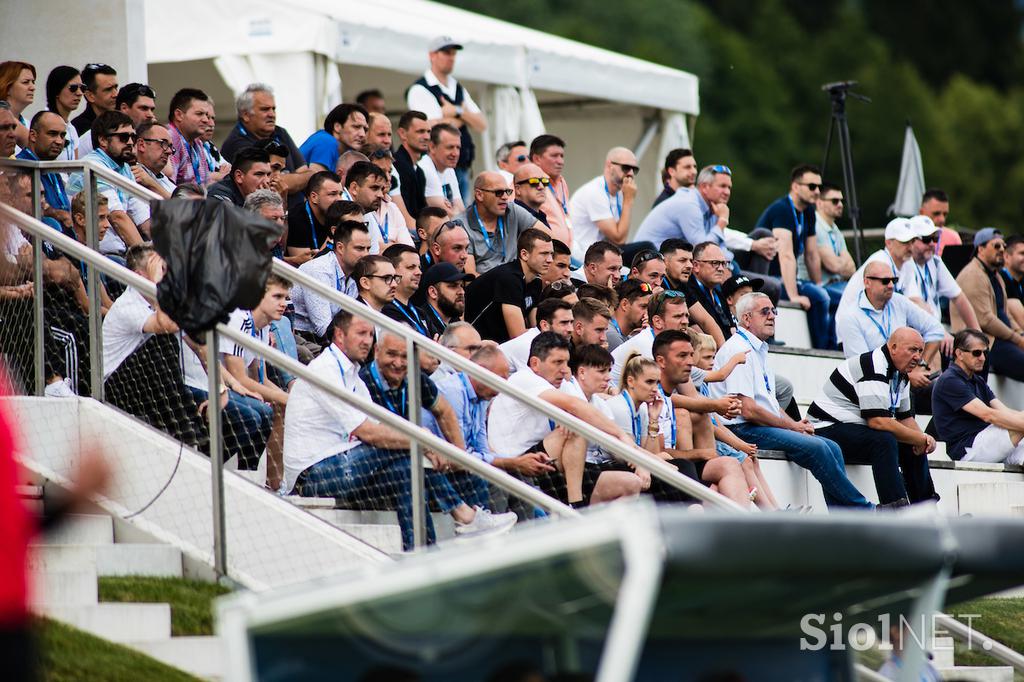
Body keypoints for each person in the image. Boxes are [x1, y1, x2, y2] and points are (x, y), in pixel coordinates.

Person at [284, 309, 517, 550]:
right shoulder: (326, 370)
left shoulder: (352, 374)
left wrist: (426, 445)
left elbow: (382, 427)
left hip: (344, 464)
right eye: (360, 333)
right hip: (313, 474)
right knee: (409, 445)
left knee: (407, 471)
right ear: (340, 336)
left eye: (369, 334)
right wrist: (424, 441)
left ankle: (423, 553)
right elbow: (368, 433)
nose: (366, 340)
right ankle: (464, 515)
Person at [711, 292, 873, 509]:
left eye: (773, 311)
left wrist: (794, 426)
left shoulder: (757, 347)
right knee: (819, 449)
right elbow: (749, 410)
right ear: (747, 319)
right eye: (765, 312)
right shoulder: (739, 349)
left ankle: (843, 515)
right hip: (741, 429)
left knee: (832, 447)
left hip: (754, 425)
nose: (772, 316)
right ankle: (863, 509)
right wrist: (793, 426)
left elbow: (770, 403)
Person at [488, 332, 637, 508]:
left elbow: (580, 410)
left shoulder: (558, 383)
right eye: (557, 362)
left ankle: (593, 524)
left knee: (631, 483)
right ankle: (576, 505)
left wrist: (643, 458)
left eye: (566, 363)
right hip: (514, 463)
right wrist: (621, 434)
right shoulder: (524, 378)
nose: (565, 370)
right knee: (577, 429)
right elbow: (575, 406)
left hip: (547, 460)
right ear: (535, 363)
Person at [808, 328, 937, 506]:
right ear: (893, 347)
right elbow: (878, 422)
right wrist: (920, 437)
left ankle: (926, 509)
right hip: (825, 428)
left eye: (920, 351)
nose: (918, 357)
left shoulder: (901, 373)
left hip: (854, 429)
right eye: (912, 350)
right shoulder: (873, 366)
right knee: (883, 440)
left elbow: (905, 418)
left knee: (912, 443)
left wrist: (923, 440)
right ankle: (895, 509)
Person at [634, 165, 781, 301]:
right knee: (772, 287)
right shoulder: (690, 205)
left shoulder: (711, 206)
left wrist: (728, 266)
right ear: (704, 187)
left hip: (692, 262)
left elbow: (720, 248)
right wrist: (722, 221)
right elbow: (702, 249)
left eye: (729, 187)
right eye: (722, 186)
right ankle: (752, 309)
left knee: (762, 234)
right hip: (656, 261)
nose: (727, 192)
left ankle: (752, 305)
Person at [689, 331, 780, 510]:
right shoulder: (695, 380)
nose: (712, 362)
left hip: (714, 439)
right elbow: (721, 375)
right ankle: (770, 512)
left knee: (753, 460)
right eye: (707, 357)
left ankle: (776, 509)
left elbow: (714, 420)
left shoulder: (703, 386)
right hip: (708, 444)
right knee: (745, 459)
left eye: (713, 357)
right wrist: (736, 359)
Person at [220, 275, 293, 491]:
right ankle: (249, 475)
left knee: (283, 406)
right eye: (277, 297)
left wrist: (289, 398)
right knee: (264, 410)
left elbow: (259, 378)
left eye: (286, 298)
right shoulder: (238, 318)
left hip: (236, 384)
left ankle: (275, 484)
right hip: (216, 383)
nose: (284, 304)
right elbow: (240, 379)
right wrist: (285, 396)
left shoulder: (263, 327)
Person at [755, 165, 832, 349]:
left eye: (819, 187)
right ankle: (821, 351)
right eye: (812, 186)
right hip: (769, 276)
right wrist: (793, 295)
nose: (817, 191)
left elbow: (812, 255)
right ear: (796, 186)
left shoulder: (808, 213)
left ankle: (833, 348)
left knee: (829, 295)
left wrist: (818, 283)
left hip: (789, 278)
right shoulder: (782, 209)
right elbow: (786, 255)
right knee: (821, 298)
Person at [406, 36, 488, 201]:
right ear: (432, 55)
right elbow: (431, 127)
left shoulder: (457, 87)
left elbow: (482, 124)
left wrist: (455, 111)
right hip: (436, 167)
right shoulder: (419, 89)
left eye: (453, 53)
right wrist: (464, 117)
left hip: (462, 165)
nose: (451, 57)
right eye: (445, 52)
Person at [836, 261, 944, 378]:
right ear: (867, 282)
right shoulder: (850, 317)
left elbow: (936, 329)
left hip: (903, 378)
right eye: (885, 281)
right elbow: (862, 367)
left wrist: (920, 366)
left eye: (894, 280)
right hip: (871, 385)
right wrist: (907, 377)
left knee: (942, 388)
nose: (891, 285)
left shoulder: (899, 301)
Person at [933, 329, 1024, 465]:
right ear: (959, 354)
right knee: (1015, 425)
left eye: (985, 353)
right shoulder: (950, 380)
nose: (982, 358)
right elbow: (988, 415)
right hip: (967, 449)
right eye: (977, 353)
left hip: (985, 440)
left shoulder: (977, 380)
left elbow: (1005, 411)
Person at [66, 111, 149, 255]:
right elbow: (117, 217)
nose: (130, 142)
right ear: (103, 140)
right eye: (123, 137)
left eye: (133, 137)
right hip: (95, 255)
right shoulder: (92, 166)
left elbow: (144, 219)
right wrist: (147, 259)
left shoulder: (124, 168)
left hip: (117, 253)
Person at [951, 228, 1024, 381]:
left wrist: (1019, 334)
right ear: (981, 249)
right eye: (996, 246)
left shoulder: (995, 275)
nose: (1002, 249)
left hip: (999, 339)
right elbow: (986, 320)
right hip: (985, 342)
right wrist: (1017, 339)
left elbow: (1004, 312)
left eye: (1003, 245)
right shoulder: (973, 275)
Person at [900, 216, 980, 354]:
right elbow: (916, 303)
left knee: (977, 350)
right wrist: (940, 332)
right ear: (911, 241)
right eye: (926, 239)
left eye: (935, 238)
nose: (932, 243)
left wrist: (978, 334)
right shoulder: (906, 264)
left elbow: (959, 298)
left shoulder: (935, 262)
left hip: (933, 330)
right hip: (916, 333)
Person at [291, 220, 372, 349]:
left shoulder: (356, 271)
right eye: (359, 248)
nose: (366, 255)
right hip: (302, 338)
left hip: (328, 338)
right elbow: (323, 328)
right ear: (340, 248)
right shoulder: (318, 270)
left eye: (368, 249)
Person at [465, 228, 552, 343]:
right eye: (544, 254)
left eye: (551, 254)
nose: (550, 260)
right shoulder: (509, 279)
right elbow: (518, 336)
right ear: (524, 254)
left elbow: (535, 328)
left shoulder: (535, 282)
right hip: (472, 343)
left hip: (496, 345)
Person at [568, 147, 645, 264]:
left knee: (646, 256)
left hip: (602, 253)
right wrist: (628, 201)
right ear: (610, 165)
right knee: (644, 248)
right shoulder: (595, 191)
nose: (630, 174)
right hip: (584, 256)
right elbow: (619, 239)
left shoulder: (618, 194)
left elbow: (619, 239)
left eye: (634, 169)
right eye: (626, 168)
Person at [460, 171, 546, 275]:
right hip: (487, 288)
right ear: (479, 195)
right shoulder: (462, 224)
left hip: (519, 282)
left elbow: (549, 238)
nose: (505, 197)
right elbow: (470, 277)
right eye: (499, 192)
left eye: (508, 192)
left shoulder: (512, 210)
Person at [220, 84, 307, 179]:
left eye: (273, 109)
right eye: (265, 109)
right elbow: (267, 184)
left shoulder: (280, 132)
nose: (272, 114)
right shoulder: (236, 143)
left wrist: (288, 179)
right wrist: (298, 178)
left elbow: (307, 173)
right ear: (245, 115)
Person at [837, 217, 919, 312]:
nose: (910, 247)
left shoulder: (908, 261)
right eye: (905, 242)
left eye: (913, 241)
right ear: (888, 243)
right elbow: (880, 306)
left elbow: (914, 299)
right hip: (859, 321)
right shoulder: (880, 264)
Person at [610, 290, 689, 387]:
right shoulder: (646, 346)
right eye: (678, 316)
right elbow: (659, 394)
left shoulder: (672, 345)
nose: (685, 321)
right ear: (658, 322)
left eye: (686, 316)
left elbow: (690, 393)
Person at [16, 111, 72, 229]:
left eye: (62, 135)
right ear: (33, 135)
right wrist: (55, 213)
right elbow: (26, 209)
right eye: (52, 134)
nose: (59, 141)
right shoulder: (21, 167)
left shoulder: (50, 165)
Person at [77, 81, 156, 158]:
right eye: (144, 108)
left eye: (152, 109)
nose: (150, 115)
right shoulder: (98, 134)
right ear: (124, 108)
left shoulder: (147, 134)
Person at [500, 298, 574, 373]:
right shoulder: (527, 345)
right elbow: (530, 382)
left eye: (571, 322)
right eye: (564, 323)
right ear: (544, 325)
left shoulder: (542, 343)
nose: (571, 329)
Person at [285, 170, 344, 262]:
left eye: (340, 194)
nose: (339, 199)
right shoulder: (296, 219)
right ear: (314, 197)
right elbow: (305, 269)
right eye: (332, 194)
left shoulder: (339, 216)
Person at [529, 134, 574, 250]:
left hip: (565, 251)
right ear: (537, 159)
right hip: (544, 253)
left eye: (562, 156)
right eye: (554, 156)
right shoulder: (526, 183)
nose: (560, 161)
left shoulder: (561, 182)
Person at [686, 242, 735, 342]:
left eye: (724, 263)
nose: (721, 269)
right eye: (715, 263)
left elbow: (731, 328)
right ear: (696, 265)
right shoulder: (687, 292)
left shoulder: (719, 295)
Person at [300, 102, 368, 174]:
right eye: (356, 127)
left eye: (365, 129)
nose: (363, 134)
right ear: (337, 127)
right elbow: (319, 182)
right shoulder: (326, 142)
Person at [165, 88, 214, 186]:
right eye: (199, 114)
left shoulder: (197, 142)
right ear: (179, 115)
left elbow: (205, 185)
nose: (206, 120)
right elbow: (170, 189)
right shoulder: (170, 139)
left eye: (207, 115)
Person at [381, 244, 429, 335]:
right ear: (391, 270)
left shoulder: (420, 313)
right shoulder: (384, 310)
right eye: (411, 267)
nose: (419, 272)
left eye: (419, 267)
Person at [418, 123, 464, 215]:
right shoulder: (424, 169)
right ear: (432, 147)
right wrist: (453, 210)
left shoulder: (449, 169)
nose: (455, 153)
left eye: (458, 148)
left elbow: (461, 210)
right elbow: (445, 214)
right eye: (450, 147)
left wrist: (454, 210)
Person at [420, 262, 474, 338]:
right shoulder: (422, 323)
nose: (462, 292)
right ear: (433, 292)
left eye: (461, 286)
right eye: (453, 286)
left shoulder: (455, 321)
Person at [394, 111, 430, 221]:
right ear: (402, 133)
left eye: (428, 132)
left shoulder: (419, 171)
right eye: (420, 131)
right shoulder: (395, 165)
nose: (427, 136)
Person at [45, 65, 84, 162]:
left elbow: (75, 167)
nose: (79, 93)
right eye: (73, 88)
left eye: (82, 88)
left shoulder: (71, 129)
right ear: (57, 90)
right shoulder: (44, 122)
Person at [207, 147, 271, 206]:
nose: (267, 181)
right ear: (239, 176)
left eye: (268, 174)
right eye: (259, 174)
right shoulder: (220, 195)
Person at [71, 63, 118, 139]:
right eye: (108, 89)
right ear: (90, 96)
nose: (115, 94)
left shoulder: (122, 123)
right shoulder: (77, 130)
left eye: (116, 87)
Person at [607, 279, 653, 351]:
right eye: (643, 307)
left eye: (649, 308)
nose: (647, 313)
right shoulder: (611, 335)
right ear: (624, 304)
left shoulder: (626, 336)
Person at [132, 121, 176, 198]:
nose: (169, 151)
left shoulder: (166, 180)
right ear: (141, 145)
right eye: (163, 143)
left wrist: (152, 184)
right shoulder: (132, 176)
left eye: (170, 146)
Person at [919, 188, 961, 256]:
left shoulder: (953, 238)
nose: (942, 219)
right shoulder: (908, 237)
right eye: (936, 213)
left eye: (945, 214)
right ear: (921, 213)